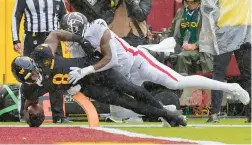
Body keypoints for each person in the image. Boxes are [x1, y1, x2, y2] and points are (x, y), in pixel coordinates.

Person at [61, 12, 250, 108]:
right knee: (122, 114)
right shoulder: (74, 43)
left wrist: (84, 72)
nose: (76, 39)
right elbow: (83, 65)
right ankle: (164, 109)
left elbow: (110, 60)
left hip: (137, 61)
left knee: (176, 82)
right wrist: (78, 81)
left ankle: (232, 87)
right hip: (122, 74)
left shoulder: (97, 29)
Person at [11, 29, 187, 127]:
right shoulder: (29, 89)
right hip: (86, 87)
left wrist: (81, 41)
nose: (36, 75)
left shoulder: (41, 55)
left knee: (133, 89)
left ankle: (168, 115)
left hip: (93, 69)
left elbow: (56, 34)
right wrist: (32, 118)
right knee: (126, 102)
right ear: (24, 80)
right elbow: (29, 107)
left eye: (34, 71)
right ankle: (168, 115)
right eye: (31, 77)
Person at [11, 0, 69, 123]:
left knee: (57, 74)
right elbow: (16, 15)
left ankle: (59, 116)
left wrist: (68, 39)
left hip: (53, 37)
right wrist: (15, 40)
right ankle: (24, 113)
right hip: (32, 37)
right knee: (27, 75)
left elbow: (64, 18)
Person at [199, 0, 251, 123]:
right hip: (245, 28)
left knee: (219, 73)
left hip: (227, 29)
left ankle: (215, 113)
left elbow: (207, 6)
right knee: (248, 75)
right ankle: (251, 113)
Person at [167, 0, 213, 75]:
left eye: (192, 2)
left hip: (200, 50)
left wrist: (195, 45)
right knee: (164, 55)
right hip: (180, 47)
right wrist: (163, 43)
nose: (189, 4)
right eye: (187, 2)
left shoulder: (205, 13)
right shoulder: (181, 11)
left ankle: (181, 84)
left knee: (181, 57)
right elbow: (171, 31)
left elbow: (210, 35)